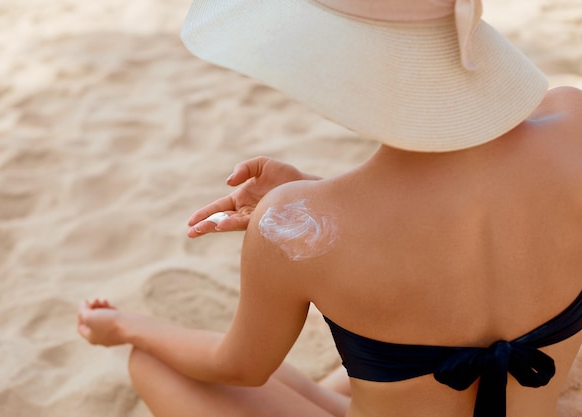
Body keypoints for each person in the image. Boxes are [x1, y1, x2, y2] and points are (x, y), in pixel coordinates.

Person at [77, 1, 582, 417]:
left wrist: (122, 327)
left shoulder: (288, 221)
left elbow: (238, 367)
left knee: (155, 361)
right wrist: (314, 198)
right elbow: (478, 218)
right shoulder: (572, 123)